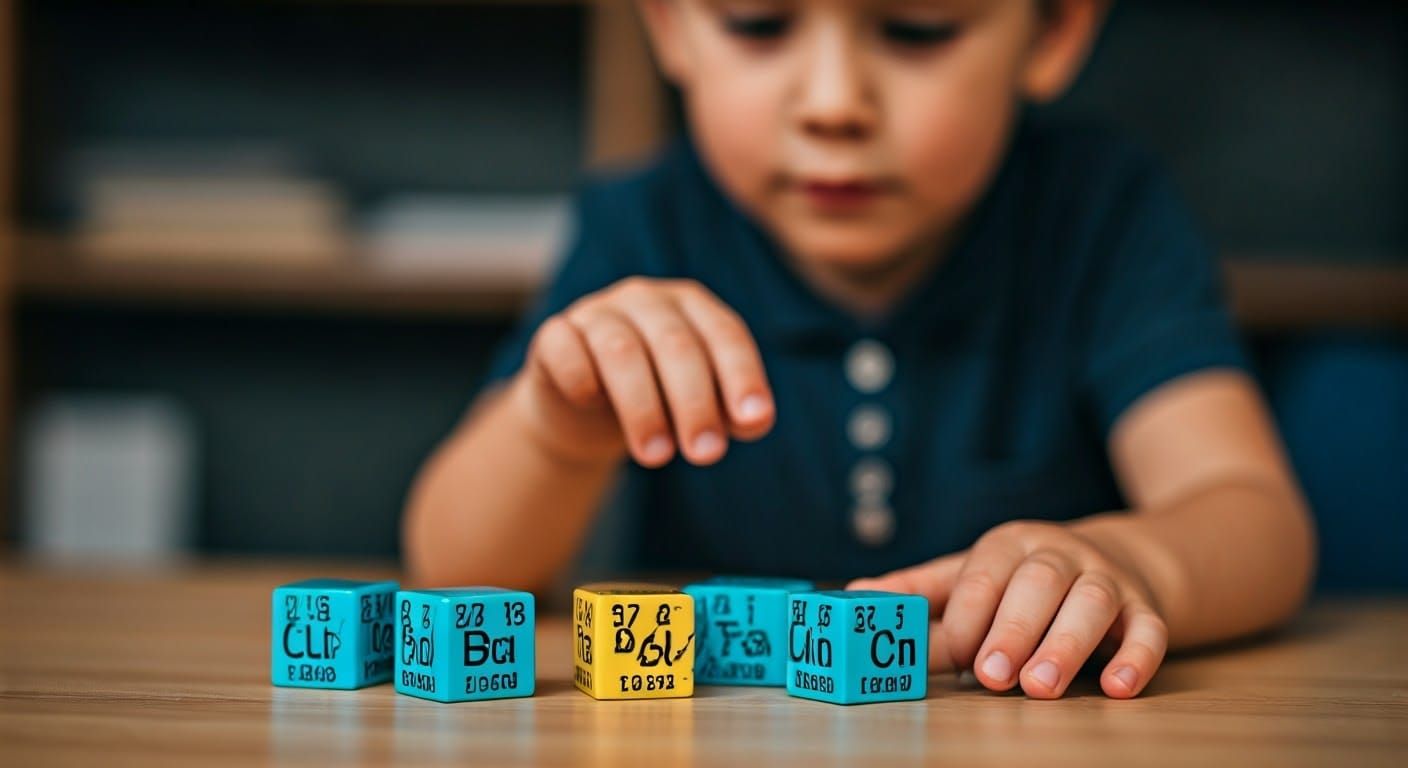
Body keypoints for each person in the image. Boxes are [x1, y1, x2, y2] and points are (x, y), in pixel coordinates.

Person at [403, 0, 1315, 700]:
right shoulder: (639, 225)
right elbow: (455, 574)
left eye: (918, 29)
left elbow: (1254, 518)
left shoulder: (1104, 212)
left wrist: (1135, 565)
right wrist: (554, 429)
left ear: (1054, 30)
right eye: (759, 24)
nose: (834, 104)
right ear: (670, 26)